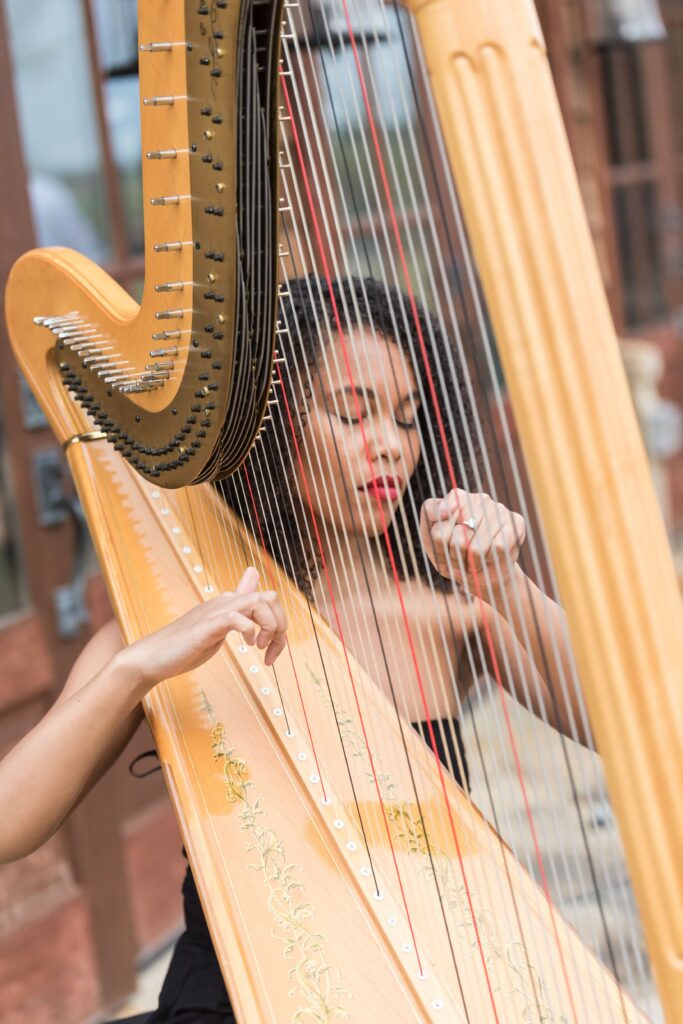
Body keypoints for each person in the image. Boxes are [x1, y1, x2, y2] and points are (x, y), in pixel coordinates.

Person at [0, 275, 584, 1022]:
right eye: (351, 413)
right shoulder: (177, 625)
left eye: (406, 420)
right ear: (270, 426)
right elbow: (10, 827)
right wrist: (134, 666)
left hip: (438, 976)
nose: (389, 448)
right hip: (235, 994)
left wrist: (504, 584)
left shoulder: (447, 612)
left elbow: (621, 737)